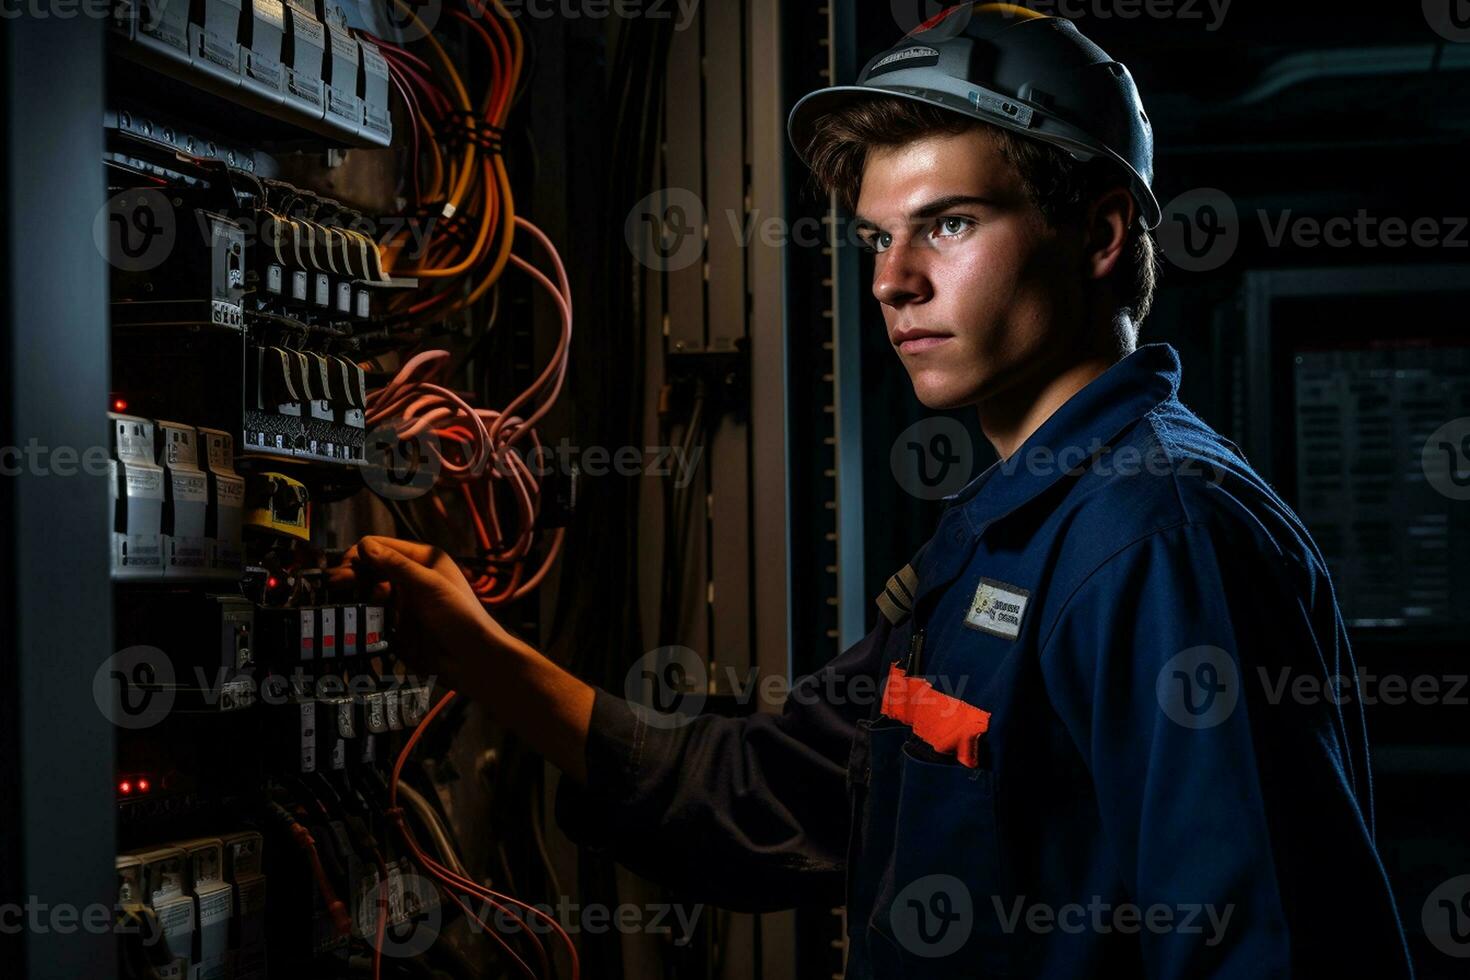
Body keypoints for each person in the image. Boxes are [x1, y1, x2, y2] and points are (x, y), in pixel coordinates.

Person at [335, 5, 1413, 976]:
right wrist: (475, 648)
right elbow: (762, 792)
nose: (892, 279)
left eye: (948, 222)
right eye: (876, 237)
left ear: (1099, 233)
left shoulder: (1153, 536)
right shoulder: (1010, 535)